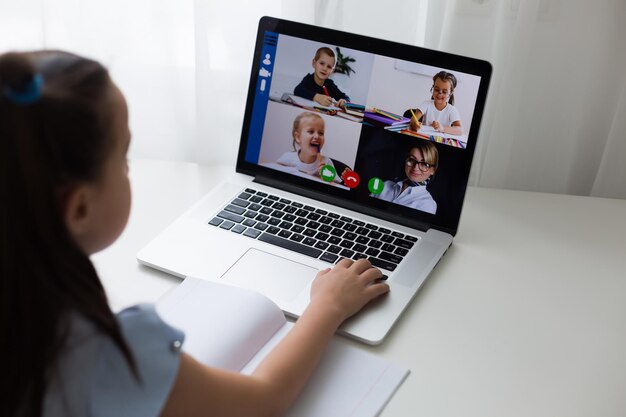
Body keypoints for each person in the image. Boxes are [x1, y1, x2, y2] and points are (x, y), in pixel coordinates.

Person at [0, 50, 389, 417]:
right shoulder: (101, 354)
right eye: (124, 158)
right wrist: (328, 306)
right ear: (80, 208)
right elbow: (265, 398)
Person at [276, 111, 350, 184]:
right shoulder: (288, 157)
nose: (317, 136)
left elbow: (336, 185)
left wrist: (327, 178)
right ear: (298, 137)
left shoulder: (327, 163)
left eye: (321, 133)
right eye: (311, 131)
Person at [371, 140, 439, 214]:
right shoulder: (384, 185)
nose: (415, 168)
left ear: (433, 170)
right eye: (412, 160)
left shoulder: (428, 204)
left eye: (424, 164)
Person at [406, 71, 463, 136]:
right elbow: (413, 120)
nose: (440, 93)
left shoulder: (452, 110)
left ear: (451, 93)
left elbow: (460, 130)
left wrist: (443, 128)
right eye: (436, 89)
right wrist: (415, 125)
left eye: (444, 92)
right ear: (433, 88)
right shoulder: (426, 104)